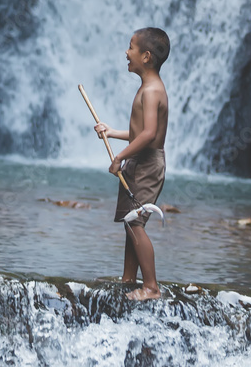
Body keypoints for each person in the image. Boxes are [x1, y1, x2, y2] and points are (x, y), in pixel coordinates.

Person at [94, 27, 170, 300]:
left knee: (135, 223)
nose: (126, 53)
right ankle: (129, 279)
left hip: (147, 164)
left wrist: (120, 156)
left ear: (146, 57)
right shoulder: (149, 88)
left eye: (131, 48)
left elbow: (149, 135)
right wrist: (112, 132)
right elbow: (142, 132)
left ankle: (151, 286)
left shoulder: (151, 91)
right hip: (141, 161)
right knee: (130, 222)